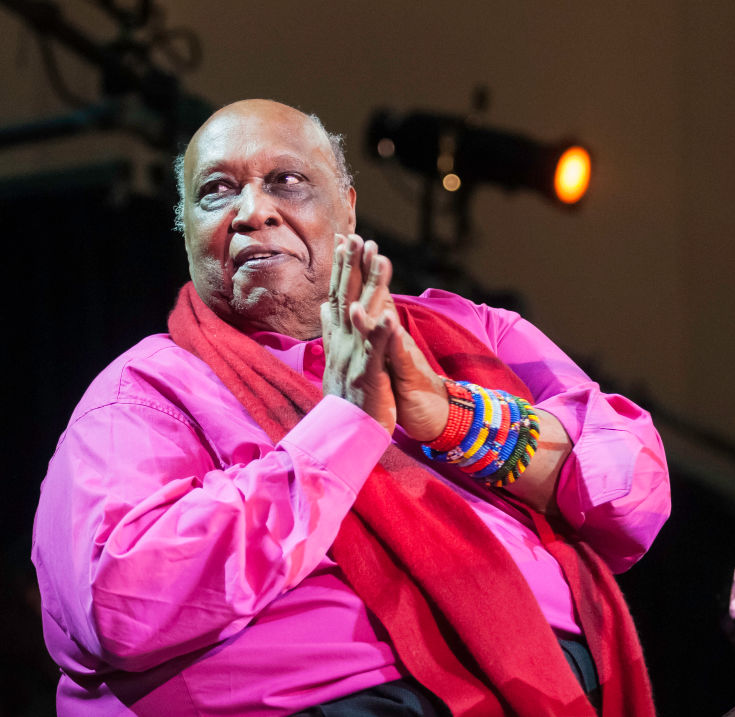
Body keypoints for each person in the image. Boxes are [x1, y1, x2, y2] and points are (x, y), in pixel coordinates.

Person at [32, 99, 671, 716]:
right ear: (186, 228)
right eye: (217, 192)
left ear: (348, 209)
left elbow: (635, 485)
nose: (253, 211)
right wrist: (343, 428)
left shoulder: (474, 335)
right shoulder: (145, 393)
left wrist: (451, 417)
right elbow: (120, 602)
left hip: (551, 688)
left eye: (287, 181)